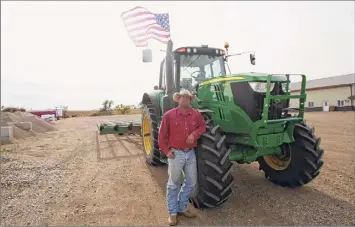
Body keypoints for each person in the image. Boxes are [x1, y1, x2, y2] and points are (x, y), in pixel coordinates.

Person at [158, 90, 206, 226]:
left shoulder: (196, 114)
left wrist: (194, 135)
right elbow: (162, 136)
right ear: (178, 99)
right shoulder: (169, 115)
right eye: (182, 97)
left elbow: (202, 126)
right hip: (176, 153)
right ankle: (172, 213)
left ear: (191, 100)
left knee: (191, 182)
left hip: (190, 153)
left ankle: (182, 207)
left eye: (188, 98)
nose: (185, 99)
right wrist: (167, 152)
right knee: (173, 184)